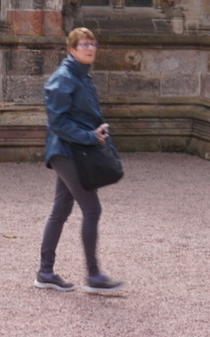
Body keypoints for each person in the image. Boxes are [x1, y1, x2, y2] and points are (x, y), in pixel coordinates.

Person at [35, 27, 125, 295]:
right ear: (71, 49)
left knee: (60, 210)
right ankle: (94, 276)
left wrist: (95, 133)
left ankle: (45, 272)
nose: (90, 48)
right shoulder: (63, 78)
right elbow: (57, 123)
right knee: (92, 209)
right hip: (67, 151)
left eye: (93, 43)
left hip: (76, 150)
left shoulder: (82, 77)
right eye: (84, 44)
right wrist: (89, 136)